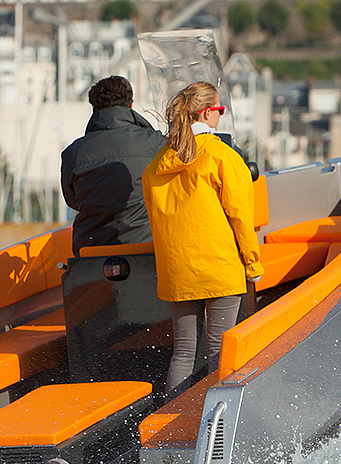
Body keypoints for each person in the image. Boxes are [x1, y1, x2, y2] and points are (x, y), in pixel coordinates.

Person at [142, 82, 263, 396]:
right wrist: (252, 264)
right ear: (207, 112)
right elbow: (240, 216)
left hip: (178, 272)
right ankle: (215, 428)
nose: (220, 116)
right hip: (218, 268)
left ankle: (173, 422)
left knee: (183, 352)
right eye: (220, 111)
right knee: (218, 352)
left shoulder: (156, 166)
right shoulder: (222, 156)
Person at [60, 76, 163, 255]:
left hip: (90, 252)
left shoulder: (73, 153)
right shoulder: (155, 143)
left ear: (95, 109)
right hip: (144, 250)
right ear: (131, 106)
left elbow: (73, 201)